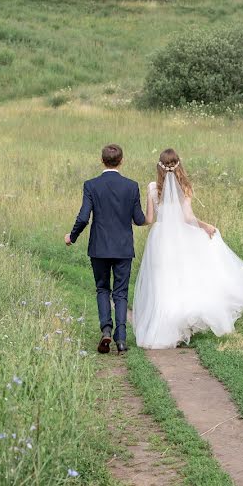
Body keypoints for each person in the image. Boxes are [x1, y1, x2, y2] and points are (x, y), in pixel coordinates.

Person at [133, 148, 243, 349]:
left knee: (163, 283)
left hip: (160, 238)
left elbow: (148, 219)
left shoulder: (152, 188)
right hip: (180, 238)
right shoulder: (186, 187)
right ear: (179, 165)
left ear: (159, 167)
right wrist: (206, 225)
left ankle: (162, 330)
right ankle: (182, 327)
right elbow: (188, 218)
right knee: (181, 280)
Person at [65, 144, 146, 354]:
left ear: (102, 161)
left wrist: (72, 236)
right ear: (122, 161)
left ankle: (106, 330)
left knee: (102, 289)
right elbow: (138, 219)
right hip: (123, 248)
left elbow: (84, 217)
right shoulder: (131, 186)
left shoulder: (91, 185)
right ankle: (121, 340)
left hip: (99, 247)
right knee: (120, 293)